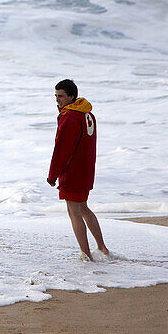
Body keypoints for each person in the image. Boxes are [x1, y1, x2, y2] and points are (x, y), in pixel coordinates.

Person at [48, 79, 109, 260]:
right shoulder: (87, 113)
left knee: (74, 212)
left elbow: (62, 149)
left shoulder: (70, 117)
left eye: (60, 96)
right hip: (87, 170)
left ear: (71, 96)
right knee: (84, 208)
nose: (57, 100)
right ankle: (102, 248)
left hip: (73, 172)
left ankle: (87, 255)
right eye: (55, 96)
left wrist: (53, 175)